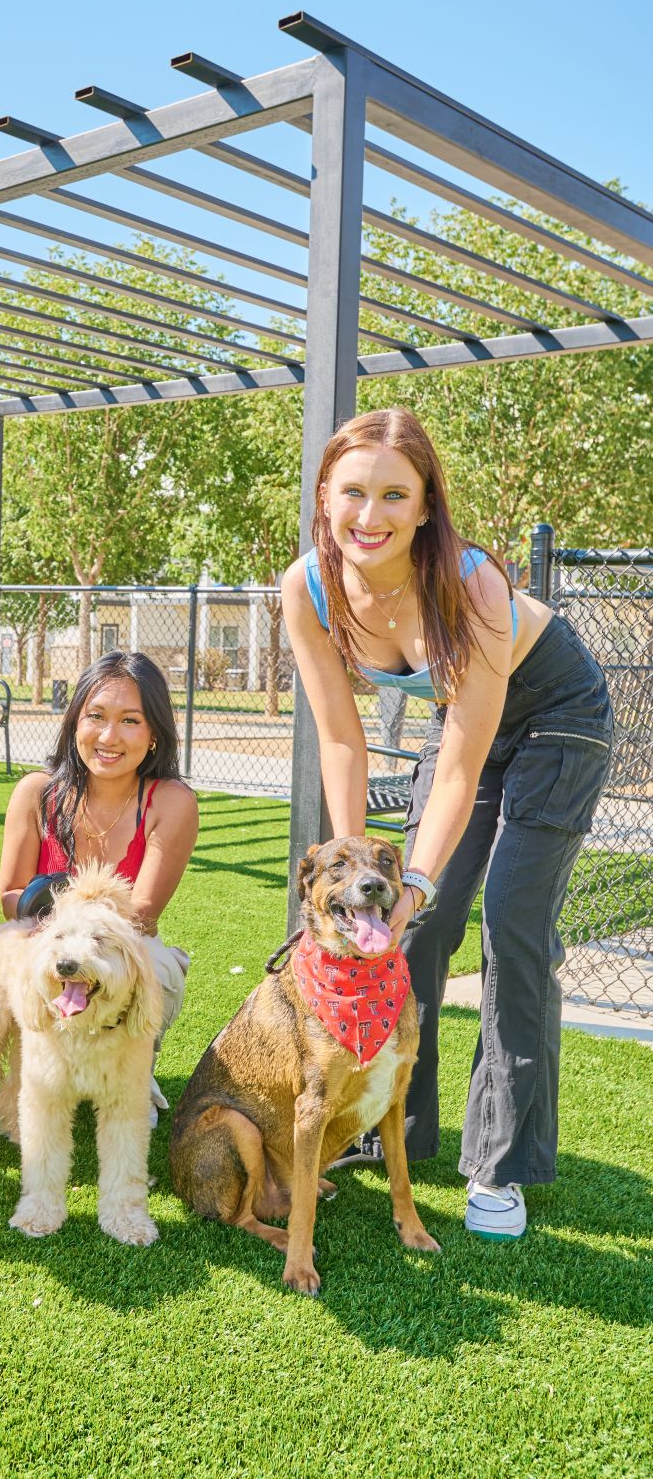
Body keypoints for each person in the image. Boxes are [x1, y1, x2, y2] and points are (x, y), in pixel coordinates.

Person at [281, 407, 612, 1240]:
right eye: (352, 491)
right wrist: (359, 885)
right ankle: (397, 1124)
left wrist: (413, 879)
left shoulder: (471, 583)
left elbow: (461, 765)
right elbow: (340, 739)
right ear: (324, 495)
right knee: (412, 931)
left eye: (396, 494)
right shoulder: (307, 588)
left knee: (509, 923)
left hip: (556, 714)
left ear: (427, 506)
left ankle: (502, 1164)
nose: (370, 514)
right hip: (466, 721)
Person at [0, 649, 199, 1120]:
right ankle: (34, 1063)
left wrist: (69, 913)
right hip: (43, 938)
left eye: (131, 720)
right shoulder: (36, 792)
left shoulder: (171, 802)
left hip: (119, 945)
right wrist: (55, 924)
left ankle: (128, 1068)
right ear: (74, 723)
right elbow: (12, 897)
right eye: (96, 716)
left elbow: (142, 913)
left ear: (153, 735)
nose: (109, 737)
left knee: (159, 967)